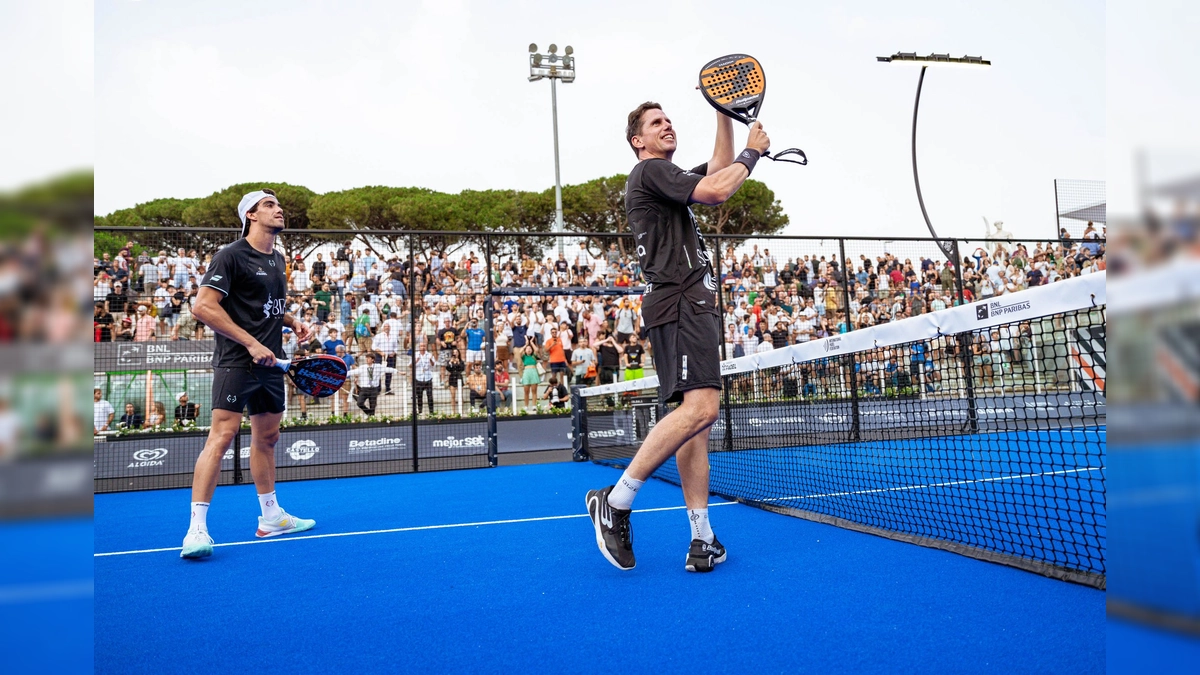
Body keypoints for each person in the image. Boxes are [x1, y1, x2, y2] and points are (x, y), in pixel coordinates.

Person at [586, 100, 769, 573]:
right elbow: (717, 189)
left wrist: (723, 113)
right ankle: (617, 500)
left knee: (696, 423)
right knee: (703, 409)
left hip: (683, 304)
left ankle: (702, 537)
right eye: (655, 123)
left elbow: (715, 169)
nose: (666, 126)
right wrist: (752, 154)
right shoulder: (650, 173)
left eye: (668, 120)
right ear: (638, 141)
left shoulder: (665, 180)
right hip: (682, 301)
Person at [179, 189, 316, 560]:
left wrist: (292, 321)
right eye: (269, 206)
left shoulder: (278, 259)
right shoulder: (230, 255)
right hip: (237, 361)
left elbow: (265, 307)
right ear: (250, 216)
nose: (279, 209)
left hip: (271, 364)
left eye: (278, 205)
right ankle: (196, 529)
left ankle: (271, 517)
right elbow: (203, 307)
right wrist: (251, 344)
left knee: (267, 438)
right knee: (221, 438)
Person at [348, 352, 394, 417]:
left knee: (373, 406)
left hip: (374, 389)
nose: (367, 359)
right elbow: (353, 372)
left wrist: (398, 372)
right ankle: (369, 412)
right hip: (365, 389)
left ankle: (372, 417)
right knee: (359, 403)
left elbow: (388, 369)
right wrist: (343, 374)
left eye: (368, 358)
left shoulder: (377, 366)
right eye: (366, 358)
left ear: (373, 359)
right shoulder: (363, 367)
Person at [413, 340, 436, 415]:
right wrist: (416, 361)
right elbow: (410, 366)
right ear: (419, 347)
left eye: (424, 346)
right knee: (419, 397)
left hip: (428, 378)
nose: (422, 347)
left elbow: (433, 365)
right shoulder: (415, 355)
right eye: (421, 346)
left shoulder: (429, 355)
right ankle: (420, 412)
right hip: (418, 378)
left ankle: (431, 413)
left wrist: (430, 360)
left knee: (430, 396)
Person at [519, 343, 541, 409]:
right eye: (527, 349)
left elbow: (536, 350)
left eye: (530, 348)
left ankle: (534, 405)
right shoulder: (524, 357)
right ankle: (526, 406)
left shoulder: (534, 356)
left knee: (534, 390)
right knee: (526, 391)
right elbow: (520, 352)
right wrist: (526, 345)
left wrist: (531, 342)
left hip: (533, 371)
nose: (529, 350)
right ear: (525, 350)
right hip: (526, 372)